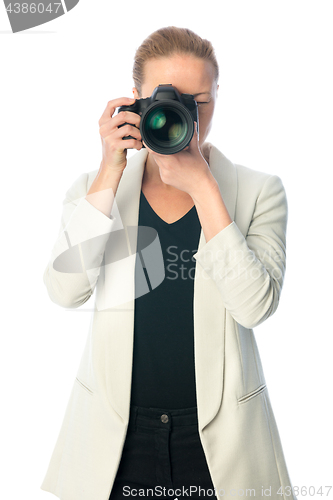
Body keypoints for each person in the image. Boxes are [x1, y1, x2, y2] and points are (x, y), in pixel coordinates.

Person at [41, 27, 297, 500]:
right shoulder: (95, 189)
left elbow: (255, 307)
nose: (184, 114)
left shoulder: (260, 191)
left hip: (222, 444)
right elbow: (64, 290)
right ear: (135, 100)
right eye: (166, 98)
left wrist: (203, 187)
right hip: (117, 440)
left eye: (198, 101)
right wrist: (110, 169)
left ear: (217, 96)